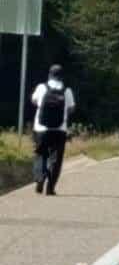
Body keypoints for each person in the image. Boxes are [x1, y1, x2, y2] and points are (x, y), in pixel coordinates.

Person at [31, 64, 76, 195]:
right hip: (60, 129)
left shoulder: (42, 87)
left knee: (40, 154)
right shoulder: (67, 90)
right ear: (62, 76)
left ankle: (40, 179)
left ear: (50, 74)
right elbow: (71, 108)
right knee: (56, 160)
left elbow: (34, 101)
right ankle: (50, 188)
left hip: (41, 128)